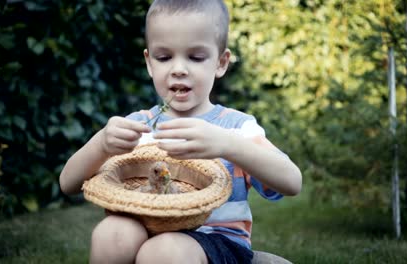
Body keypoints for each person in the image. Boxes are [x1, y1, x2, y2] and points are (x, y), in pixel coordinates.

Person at [59, 0, 302, 263]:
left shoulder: (234, 127)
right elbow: (68, 184)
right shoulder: (138, 125)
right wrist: (101, 144)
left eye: (196, 57)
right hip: (144, 230)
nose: (178, 69)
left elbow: (292, 182)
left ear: (220, 63)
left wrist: (229, 145)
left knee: (164, 250)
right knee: (112, 233)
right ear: (150, 63)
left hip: (215, 242)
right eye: (164, 57)